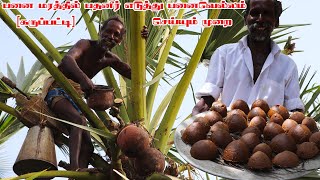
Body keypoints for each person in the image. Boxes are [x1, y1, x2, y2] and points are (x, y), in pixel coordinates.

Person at [43, 16, 148, 171]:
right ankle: (74, 169)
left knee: (87, 148)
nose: (111, 37)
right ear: (100, 31)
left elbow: (136, 75)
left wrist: (142, 43)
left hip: (74, 99)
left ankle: (78, 176)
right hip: (57, 91)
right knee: (78, 121)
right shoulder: (85, 44)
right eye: (108, 32)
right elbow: (68, 59)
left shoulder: (110, 59)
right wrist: (83, 78)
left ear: (119, 41)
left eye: (116, 35)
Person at [192, 0, 304, 116]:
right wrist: (197, 114)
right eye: (255, 13)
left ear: (276, 21)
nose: (260, 19)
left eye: (267, 13)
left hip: (270, 132)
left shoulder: (288, 66)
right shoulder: (224, 54)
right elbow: (209, 96)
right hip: (227, 129)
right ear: (245, 19)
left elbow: (294, 109)